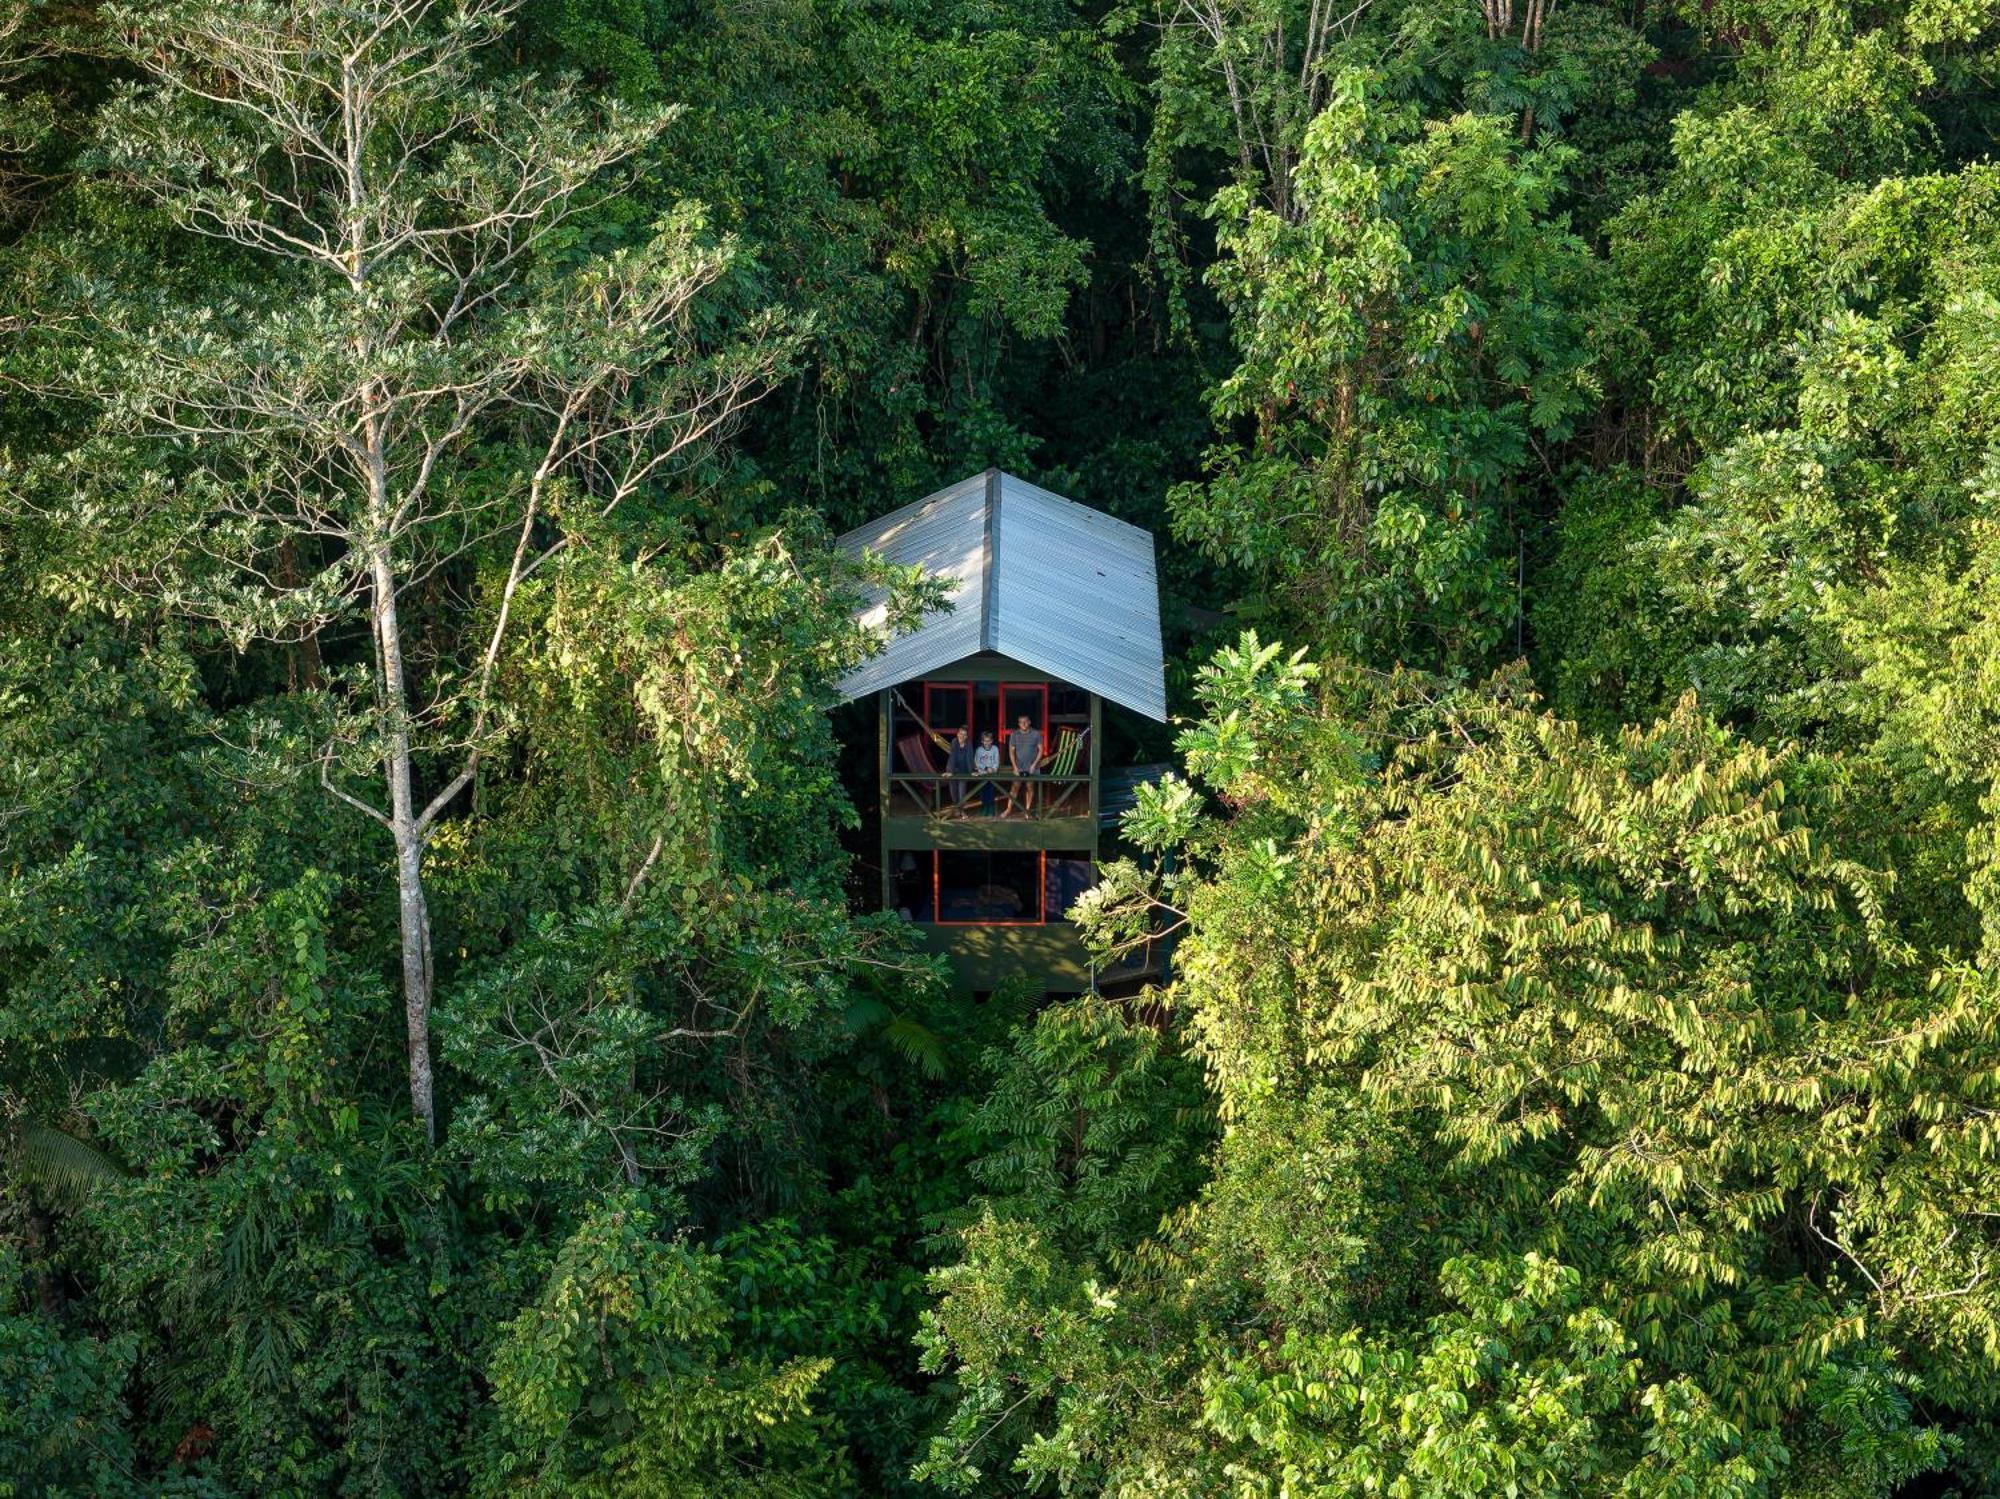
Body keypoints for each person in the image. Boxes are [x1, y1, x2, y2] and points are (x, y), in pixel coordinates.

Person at [1005, 712, 1044, 817]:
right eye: (1021, 722)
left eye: (1026, 722)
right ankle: (1008, 809)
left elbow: (1041, 750)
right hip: (1019, 767)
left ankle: (1027, 811)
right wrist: (1014, 767)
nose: (1024, 724)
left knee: (1030, 787)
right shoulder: (1014, 735)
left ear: (1029, 722)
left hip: (1032, 767)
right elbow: (1011, 752)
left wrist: (1034, 765)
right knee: (1014, 788)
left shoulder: (1036, 734)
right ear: (1018, 724)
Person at [943, 725, 976, 817]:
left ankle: (961, 811)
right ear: (957, 734)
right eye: (961, 734)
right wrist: (950, 771)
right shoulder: (954, 742)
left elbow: (970, 758)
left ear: (967, 736)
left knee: (962, 792)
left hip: (964, 771)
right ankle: (957, 808)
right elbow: (952, 757)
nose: (962, 736)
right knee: (953, 791)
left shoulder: (969, 743)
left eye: (964, 735)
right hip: (953, 770)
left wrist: (971, 771)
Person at [973, 729, 1000, 817]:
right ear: (982, 741)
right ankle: (984, 806)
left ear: (992, 741)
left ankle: (991, 807)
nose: (987, 743)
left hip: (992, 773)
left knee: (991, 790)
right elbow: (977, 762)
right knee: (983, 790)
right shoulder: (979, 750)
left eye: (989, 741)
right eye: (985, 741)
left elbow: (997, 760)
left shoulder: (995, 749)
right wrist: (985, 768)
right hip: (982, 773)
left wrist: (993, 768)